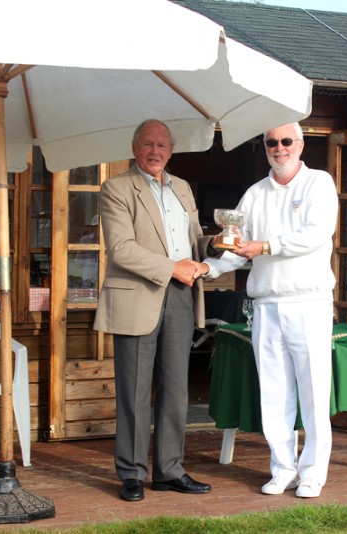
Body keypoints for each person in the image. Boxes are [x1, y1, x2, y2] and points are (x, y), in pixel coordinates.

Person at [203, 122, 338, 498]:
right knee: (274, 393)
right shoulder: (254, 193)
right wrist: (209, 266)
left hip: (308, 301)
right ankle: (282, 467)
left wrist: (265, 247)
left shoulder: (319, 183)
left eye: (286, 142)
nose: (279, 148)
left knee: (313, 391)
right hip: (266, 304)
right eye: (271, 143)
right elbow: (237, 249)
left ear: (301, 144)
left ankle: (312, 472)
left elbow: (316, 234)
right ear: (265, 147)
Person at [93, 119, 212, 502]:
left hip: (180, 295)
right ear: (134, 147)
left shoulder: (183, 189)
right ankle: (131, 473)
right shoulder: (115, 189)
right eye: (148, 143)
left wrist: (220, 245)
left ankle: (170, 470)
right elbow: (121, 248)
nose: (155, 150)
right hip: (138, 297)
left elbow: (195, 241)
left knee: (176, 389)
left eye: (162, 145)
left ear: (171, 151)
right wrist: (171, 267)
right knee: (134, 391)